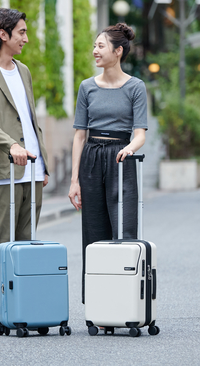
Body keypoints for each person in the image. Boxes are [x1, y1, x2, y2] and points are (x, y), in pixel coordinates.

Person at [0, 8, 49, 332]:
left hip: (33, 166)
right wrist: (11, 146)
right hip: (5, 167)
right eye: (22, 33)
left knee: (27, 240)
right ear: (3, 34)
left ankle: (23, 303)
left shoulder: (24, 71)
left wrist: (40, 160)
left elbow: (28, 120)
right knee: (1, 239)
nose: (26, 39)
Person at [68, 23, 148, 303]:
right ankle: (98, 304)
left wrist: (128, 149)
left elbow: (140, 133)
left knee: (124, 230)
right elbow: (79, 136)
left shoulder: (135, 87)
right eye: (95, 46)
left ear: (118, 51)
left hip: (121, 158)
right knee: (94, 232)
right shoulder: (87, 87)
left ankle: (124, 301)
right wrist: (74, 180)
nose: (95, 51)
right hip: (91, 157)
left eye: (100, 46)